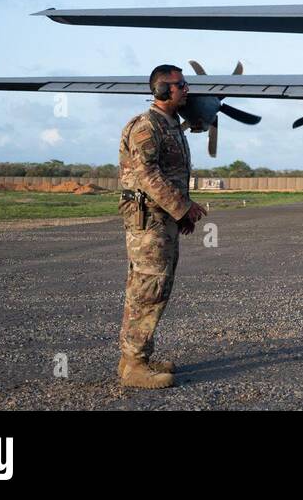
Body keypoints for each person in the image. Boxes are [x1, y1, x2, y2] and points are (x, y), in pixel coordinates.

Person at [116, 64, 208, 389]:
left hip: (162, 218)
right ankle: (135, 367)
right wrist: (184, 208)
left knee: (153, 287)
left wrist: (179, 215)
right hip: (149, 221)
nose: (186, 90)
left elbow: (172, 174)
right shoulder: (147, 127)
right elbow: (148, 176)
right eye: (180, 84)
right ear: (161, 91)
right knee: (148, 289)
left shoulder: (171, 125)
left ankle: (134, 358)